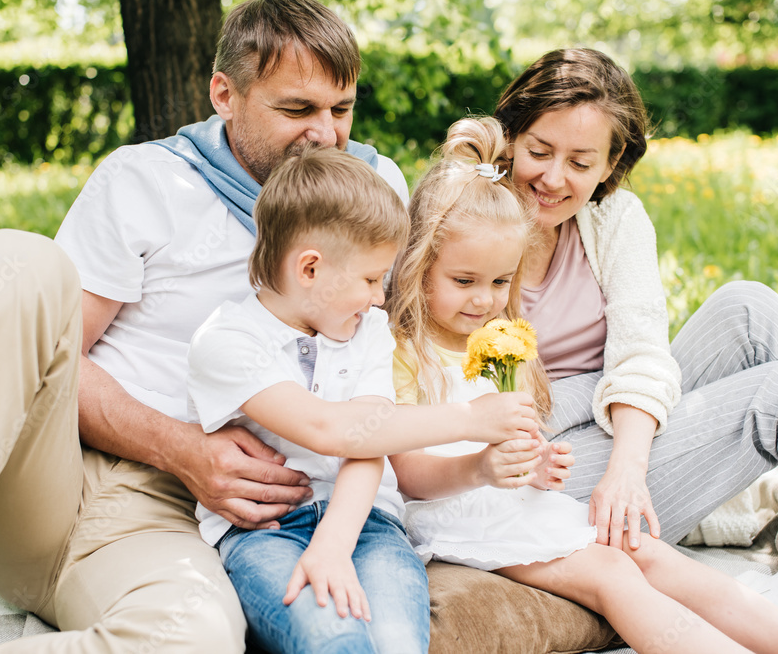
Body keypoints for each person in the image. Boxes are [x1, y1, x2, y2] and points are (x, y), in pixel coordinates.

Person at [0, 0, 421, 652]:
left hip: (178, 526)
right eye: (296, 109)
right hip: (56, 477)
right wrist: (182, 448)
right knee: (10, 262)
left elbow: (396, 354)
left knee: (194, 637)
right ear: (224, 95)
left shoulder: (374, 190)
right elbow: (54, 362)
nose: (325, 133)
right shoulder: (144, 180)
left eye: (340, 110)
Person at [385, 115, 778, 654]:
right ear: (419, 266)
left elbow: (517, 427)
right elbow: (408, 472)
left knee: (649, 552)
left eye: (500, 282)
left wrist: (532, 462)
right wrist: (483, 466)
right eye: (464, 281)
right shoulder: (405, 351)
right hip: (456, 516)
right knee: (614, 574)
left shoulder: (498, 339)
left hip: (510, 500)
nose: (484, 299)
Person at [491, 47, 778, 553]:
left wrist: (627, 468)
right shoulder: (471, 221)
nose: (552, 179)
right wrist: (599, 405)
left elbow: (639, 354)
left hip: (619, 428)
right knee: (776, 397)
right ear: (510, 136)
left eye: (580, 162)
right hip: (533, 467)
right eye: (540, 151)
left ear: (610, 162)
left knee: (746, 309)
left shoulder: (612, 217)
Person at [187, 147, 537, 654]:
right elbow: (331, 430)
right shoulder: (225, 341)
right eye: (371, 279)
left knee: (397, 641)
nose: (380, 298)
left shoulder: (368, 330)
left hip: (369, 522)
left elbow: (369, 442)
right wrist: (467, 419)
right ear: (310, 269)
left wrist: (335, 543)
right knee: (334, 640)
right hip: (267, 532)